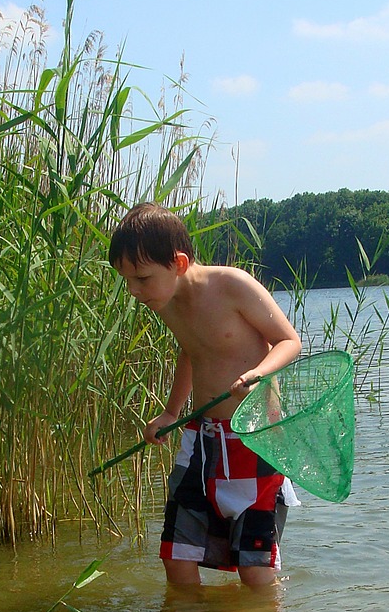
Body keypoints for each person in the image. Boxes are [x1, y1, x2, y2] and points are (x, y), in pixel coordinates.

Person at [108, 202, 302, 588]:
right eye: (127, 281)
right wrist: (170, 412)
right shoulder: (166, 301)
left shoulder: (232, 285)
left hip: (255, 437)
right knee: (177, 556)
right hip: (202, 437)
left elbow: (289, 341)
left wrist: (257, 373)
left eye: (142, 278)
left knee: (255, 569)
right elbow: (192, 352)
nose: (133, 291)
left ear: (178, 263)